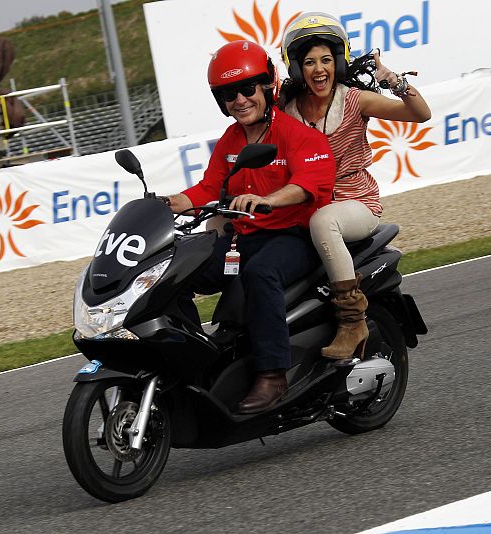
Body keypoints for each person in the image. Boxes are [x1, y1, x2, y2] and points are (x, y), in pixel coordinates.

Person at [164, 40, 335, 414]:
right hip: (245, 238)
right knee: (172, 273)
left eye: (246, 88)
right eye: (228, 93)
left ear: (266, 86)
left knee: (260, 273)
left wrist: (269, 200)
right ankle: (195, 362)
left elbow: (307, 184)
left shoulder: (299, 136)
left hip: (293, 237)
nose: (239, 100)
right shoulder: (231, 140)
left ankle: (273, 374)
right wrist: (170, 202)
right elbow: (209, 188)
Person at [279, 13, 431, 360]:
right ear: (297, 68)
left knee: (324, 222)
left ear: (338, 63)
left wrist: (393, 80)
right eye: (309, 62)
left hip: (354, 202)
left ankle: (353, 320)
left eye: (326, 60)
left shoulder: (354, 100)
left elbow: (420, 114)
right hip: (306, 203)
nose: (319, 69)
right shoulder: (286, 111)